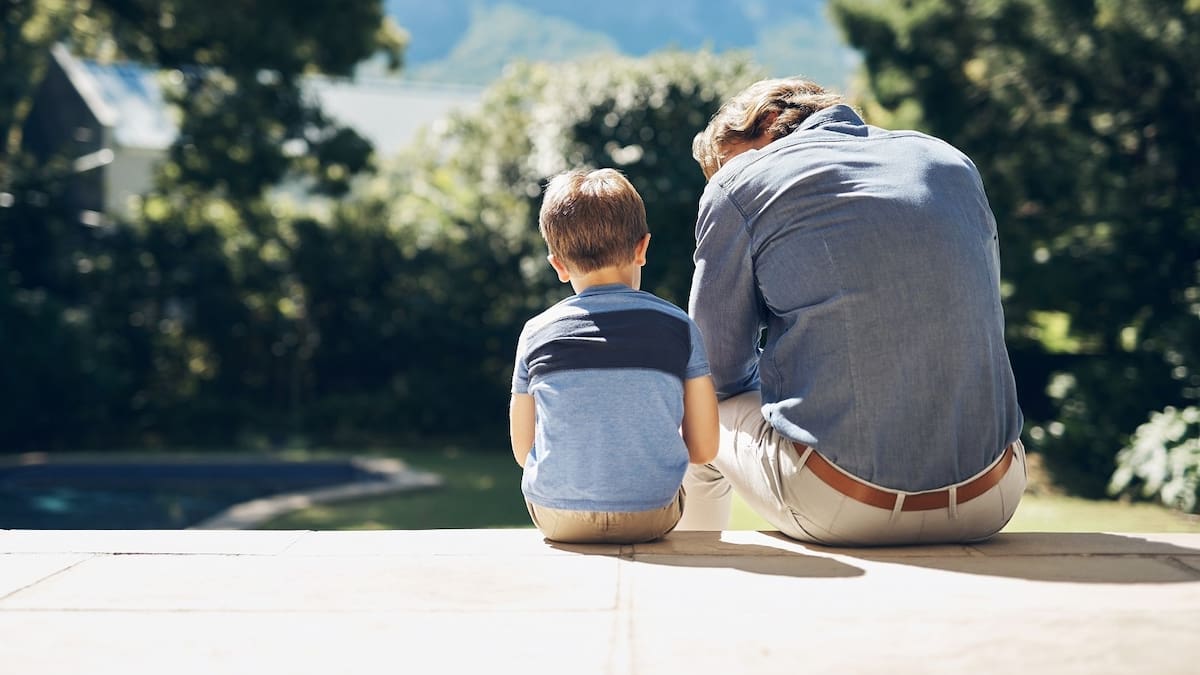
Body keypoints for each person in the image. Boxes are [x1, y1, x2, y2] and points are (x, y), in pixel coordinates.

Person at [678, 78, 1026, 546]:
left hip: (845, 506)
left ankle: (693, 582)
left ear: (766, 121)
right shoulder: (950, 162)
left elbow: (714, 370)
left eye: (730, 163)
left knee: (698, 408)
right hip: (992, 496)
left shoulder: (738, 186)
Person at [510, 168, 720, 544]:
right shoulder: (679, 326)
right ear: (643, 248)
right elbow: (703, 449)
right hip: (653, 516)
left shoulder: (536, 332)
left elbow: (524, 451)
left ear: (557, 264)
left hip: (558, 518)